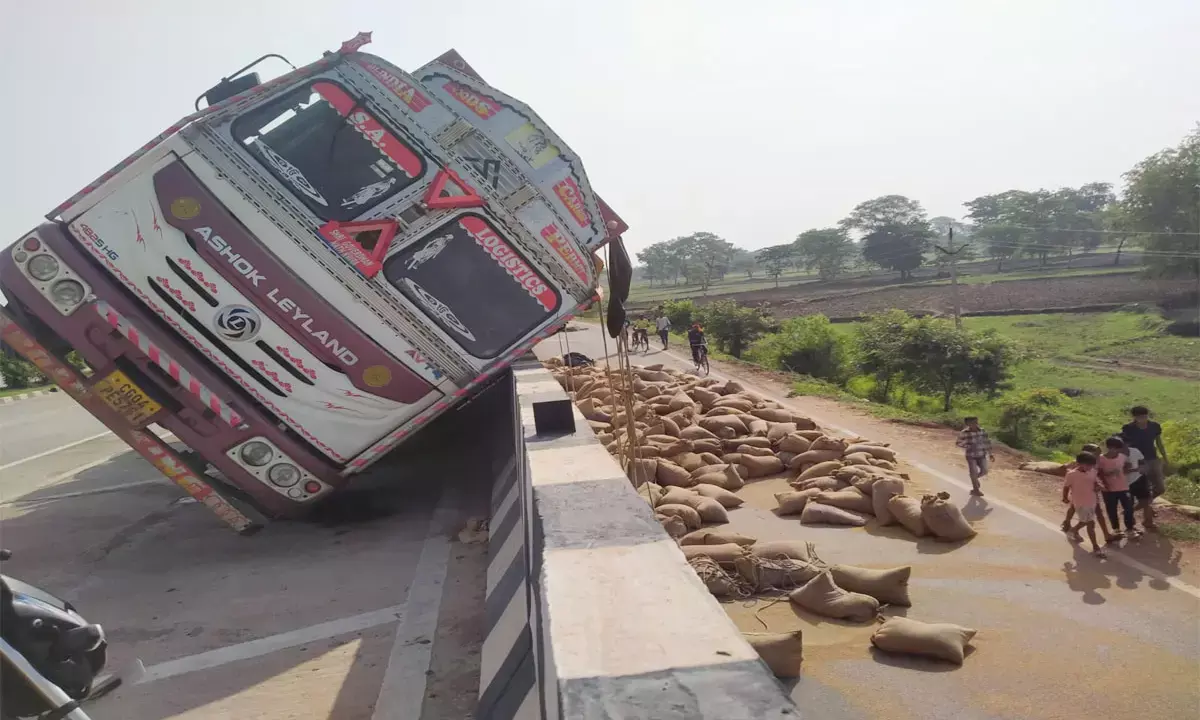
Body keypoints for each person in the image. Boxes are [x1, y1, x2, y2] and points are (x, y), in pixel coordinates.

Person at [1121, 406, 1168, 529]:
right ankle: (1148, 520)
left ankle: (1138, 506)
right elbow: (1124, 445)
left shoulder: (1155, 426)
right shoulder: (1128, 429)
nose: (1143, 419)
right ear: (1134, 417)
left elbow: (1159, 442)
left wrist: (1165, 457)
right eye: (1140, 417)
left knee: (1160, 488)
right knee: (1145, 490)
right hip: (1138, 462)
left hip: (1153, 459)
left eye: (1145, 416)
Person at [1061, 443, 1114, 543]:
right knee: (1078, 510)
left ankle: (1106, 534)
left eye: (1099, 454)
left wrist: (1102, 485)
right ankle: (1070, 526)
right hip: (1079, 492)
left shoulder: (1095, 463)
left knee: (1097, 512)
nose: (1098, 456)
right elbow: (1069, 475)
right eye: (1096, 454)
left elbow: (1099, 475)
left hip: (1091, 492)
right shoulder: (1080, 464)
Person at [1063, 452, 1106, 558]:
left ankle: (1073, 530)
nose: (1090, 467)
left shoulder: (1093, 472)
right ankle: (1096, 547)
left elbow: (1096, 483)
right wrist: (1065, 497)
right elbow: (1066, 486)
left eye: (1091, 465)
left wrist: (1099, 486)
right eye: (1087, 465)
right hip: (1080, 502)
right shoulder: (1071, 474)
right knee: (1090, 524)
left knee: (1086, 522)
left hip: (1092, 501)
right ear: (1079, 463)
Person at [1097, 436, 1138, 539]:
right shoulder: (1101, 459)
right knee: (1111, 509)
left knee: (1128, 508)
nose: (1114, 450)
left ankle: (1130, 529)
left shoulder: (1122, 457)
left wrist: (1126, 469)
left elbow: (1127, 465)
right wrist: (1108, 474)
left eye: (1117, 448)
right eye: (1112, 448)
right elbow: (1099, 473)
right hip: (1108, 489)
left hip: (1123, 487)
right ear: (1108, 447)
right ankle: (1116, 529)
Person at [955, 417, 995, 497]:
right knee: (973, 472)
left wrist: (990, 454)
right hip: (971, 455)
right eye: (972, 423)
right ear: (968, 424)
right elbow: (958, 443)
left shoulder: (982, 431)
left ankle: (975, 479)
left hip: (981, 454)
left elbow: (987, 442)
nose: (975, 424)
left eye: (976, 422)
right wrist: (967, 445)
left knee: (984, 471)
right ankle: (975, 489)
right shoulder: (964, 432)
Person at [1120, 431, 1150, 528]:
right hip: (1124, 483)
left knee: (1146, 500)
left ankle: (1147, 521)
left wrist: (1143, 469)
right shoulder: (1116, 457)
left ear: (1127, 443)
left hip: (1139, 479)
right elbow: (1122, 472)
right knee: (1128, 504)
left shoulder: (1135, 451)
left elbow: (1142, 464)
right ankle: (1130, 527)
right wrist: (1136, 469)